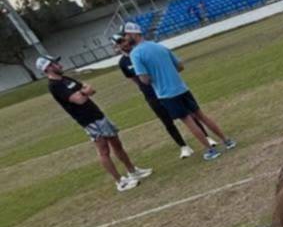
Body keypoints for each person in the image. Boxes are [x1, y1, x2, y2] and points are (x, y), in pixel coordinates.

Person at [38, 54, 151, 192]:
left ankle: (132, 171)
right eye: (55, 63)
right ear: (48, 68)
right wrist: (83, 92)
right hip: (88, 120)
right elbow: (79, 100)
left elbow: (89, 89)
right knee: (104, 151)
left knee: (117, 143)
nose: (60, 65)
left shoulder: (66, 79)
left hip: (97, 114)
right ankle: (120, 182)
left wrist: (82, 92)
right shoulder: (55, 86)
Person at [127, 35, 235, 162]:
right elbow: (180, 66)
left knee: (189, 121)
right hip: (181, 87)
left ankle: (210, 150)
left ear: (133, 34)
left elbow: (144, 79)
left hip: (166, 93)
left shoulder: (135, 53)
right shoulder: (159, 46)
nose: (126, 38)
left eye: (126, 35)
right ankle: (227, 140)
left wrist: (155, 77)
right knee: (201, 116)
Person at [114, 22, 190, 156]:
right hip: (150, 94)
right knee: (167, 121)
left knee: (188, 114)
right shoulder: (123, 63)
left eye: (123, 40)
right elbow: (134, 79)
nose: (123, 44)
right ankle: (183, 146)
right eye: (119, 42)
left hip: (165, 88)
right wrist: (145, 88)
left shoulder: (141, 51)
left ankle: (206, 137)